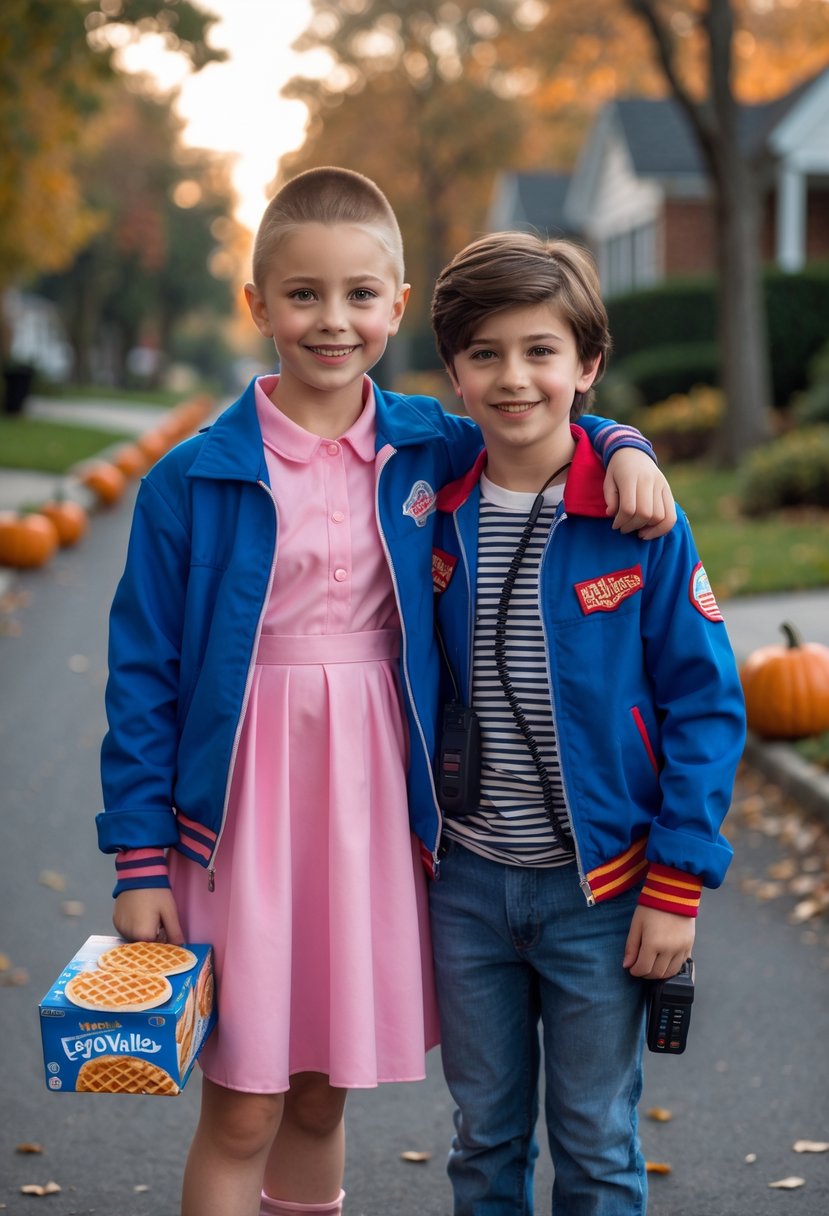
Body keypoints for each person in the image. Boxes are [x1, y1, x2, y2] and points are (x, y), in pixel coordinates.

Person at [95, 169, 674, 1216]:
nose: (332, 320)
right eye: (303, 294)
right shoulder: (191, 478)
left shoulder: (428, 441)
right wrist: (140, 856)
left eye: (360, 295)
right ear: (258, 304)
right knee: (240, 1103)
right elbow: (144, 677)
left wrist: (622, 445)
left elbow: (539, 415)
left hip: (375, 811)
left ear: (397, 307)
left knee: (319, 1096)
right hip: (239, 819)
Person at [426, 231, 746, 1215]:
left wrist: (677, 884)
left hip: (601, 891)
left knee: (598, 1138)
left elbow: (705, 702)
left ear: (587, 365)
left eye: (539, 351)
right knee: (483, 1137)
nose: (513, 377)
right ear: (454, 371)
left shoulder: (636, 515)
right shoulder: (423, 501)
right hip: (468, 885)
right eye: (484, 353)